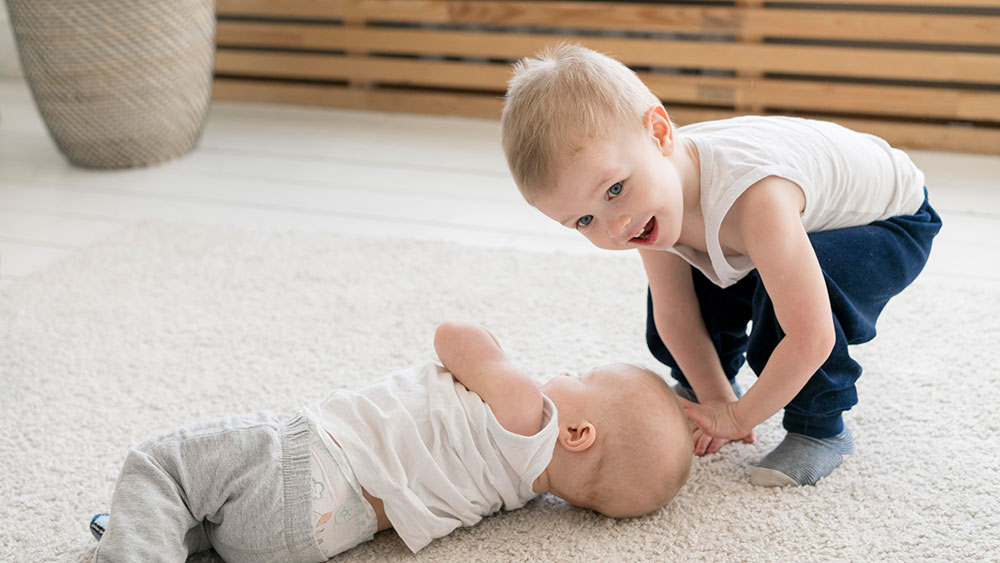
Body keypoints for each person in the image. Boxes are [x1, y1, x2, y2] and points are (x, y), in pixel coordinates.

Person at [500, 43, 941, 487]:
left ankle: (819, 429)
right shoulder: (645, 202)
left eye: (614, 189)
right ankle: (713, 380)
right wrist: (716, 398)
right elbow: (676, 314)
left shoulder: (756, 198)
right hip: (778, 223)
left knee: (791, 307)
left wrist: (737, 417)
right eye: (583, 220)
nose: (615, 228)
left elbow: (812, 336)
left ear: (659, 133)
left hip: (890, 221)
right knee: (686, 293)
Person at [88, 320, 692, 562]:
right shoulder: (521, 490)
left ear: (577, 433)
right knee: (209, 507)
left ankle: (137, 540)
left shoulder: (527, 410)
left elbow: (455, 336)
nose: (568, 370)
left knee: (161, 466)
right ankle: (149, 532)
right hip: (313, 537)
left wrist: (501, 358)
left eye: (584, 378)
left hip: (307, 461)